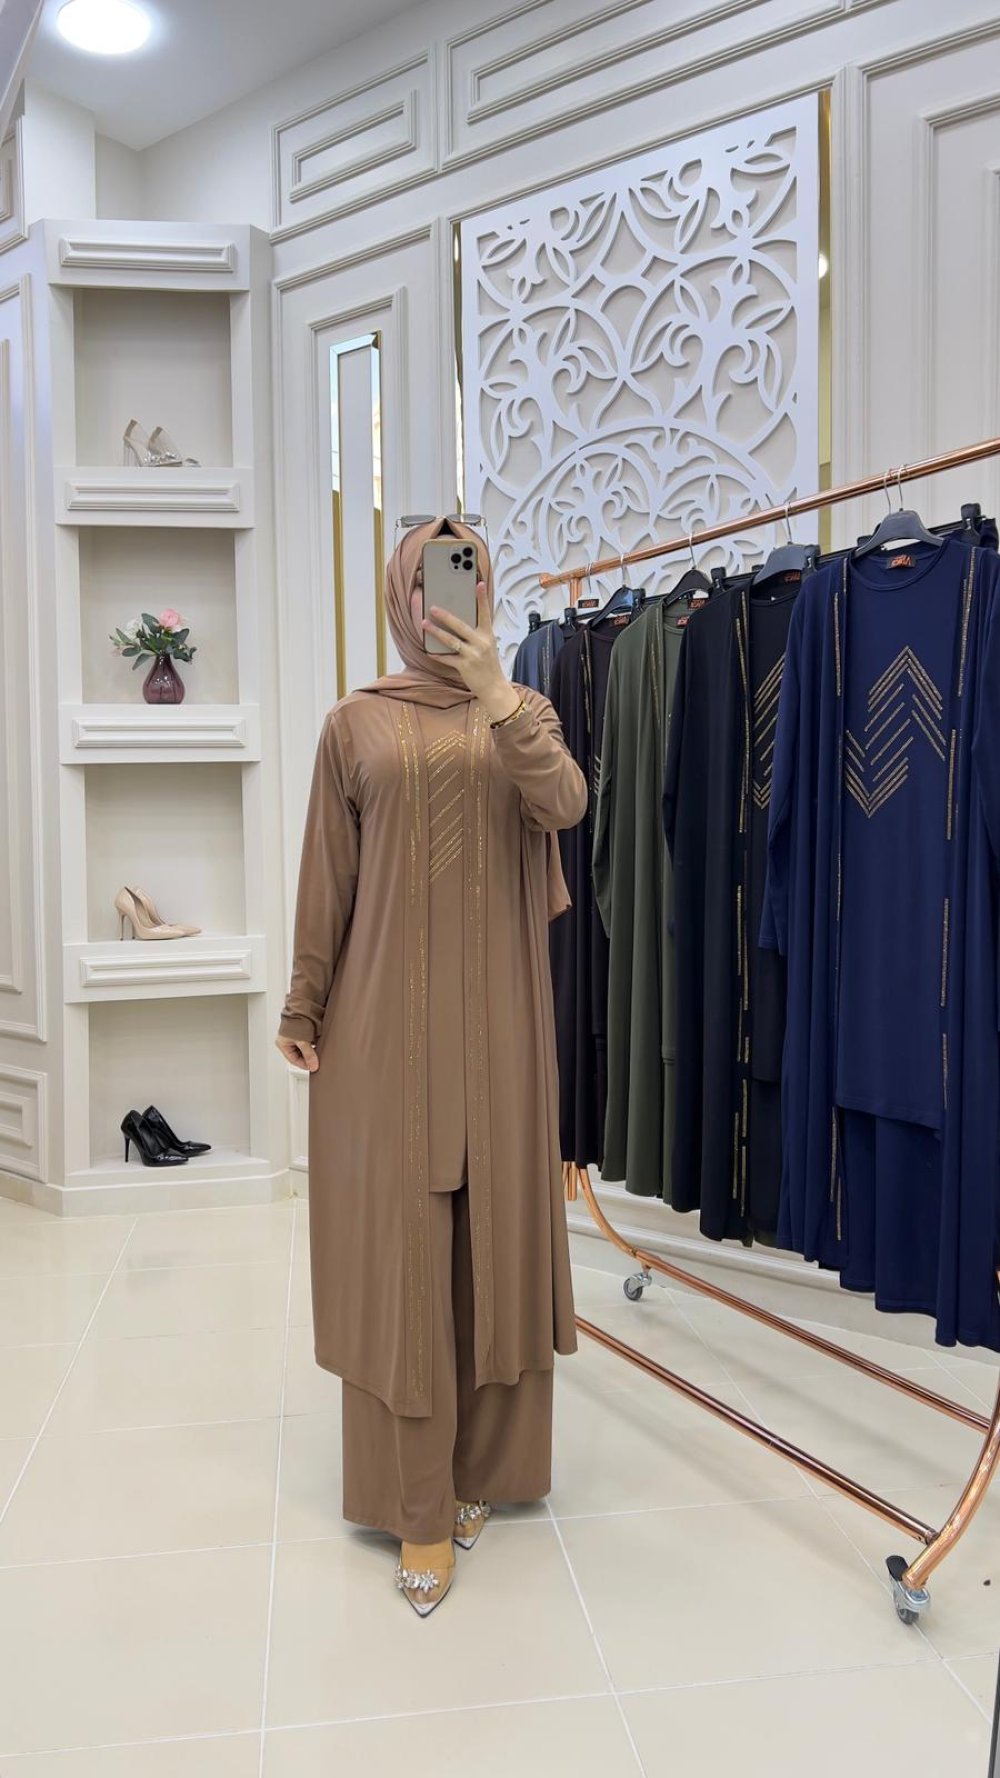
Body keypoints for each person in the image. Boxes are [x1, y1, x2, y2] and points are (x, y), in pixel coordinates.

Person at [275, 516, 587, 1615]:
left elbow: (564, 804)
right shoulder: (353, 724)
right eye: (429, 580)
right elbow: (327, 877)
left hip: (502, 1024)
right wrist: (303, 999)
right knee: (405, 1256)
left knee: (493, 1240)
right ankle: (415, 1499)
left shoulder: (525, 711)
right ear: (400, 595)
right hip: (380, 1030)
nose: (447, 598)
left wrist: (498, 696)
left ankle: (481, 1471)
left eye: (469, 576)